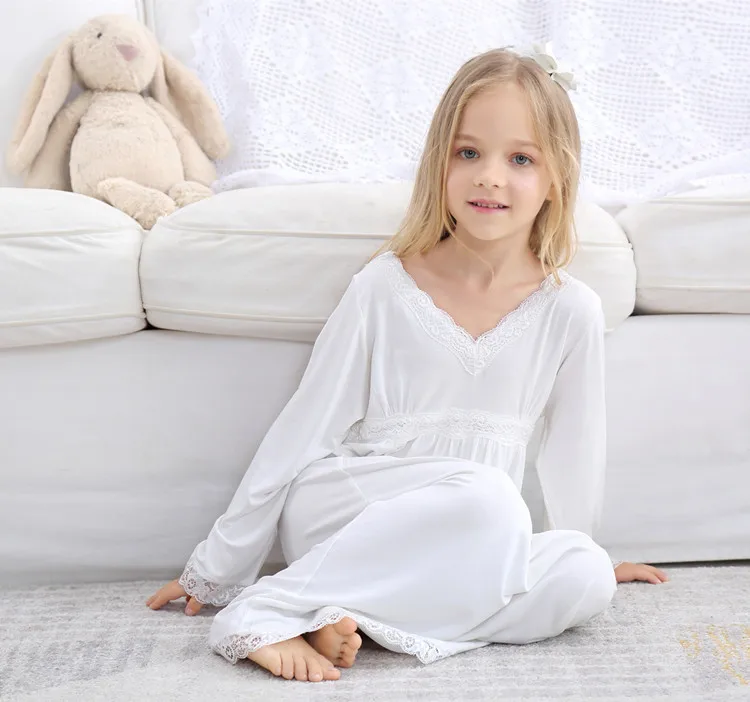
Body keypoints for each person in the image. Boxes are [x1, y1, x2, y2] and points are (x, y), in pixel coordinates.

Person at [146, 45, 669, 683]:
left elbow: (575, 451)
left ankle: (344, 616)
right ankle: (263, 609)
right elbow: (304, 428)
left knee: (583, 577)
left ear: (557, 177)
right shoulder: (384, 287)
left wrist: (587, 548)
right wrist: (218, 568)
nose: (490, 177)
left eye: (520, 159)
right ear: (439, 161)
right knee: (491, 499)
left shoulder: (570, 311)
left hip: (465, 542)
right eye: (468, 153)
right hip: (349, 513)